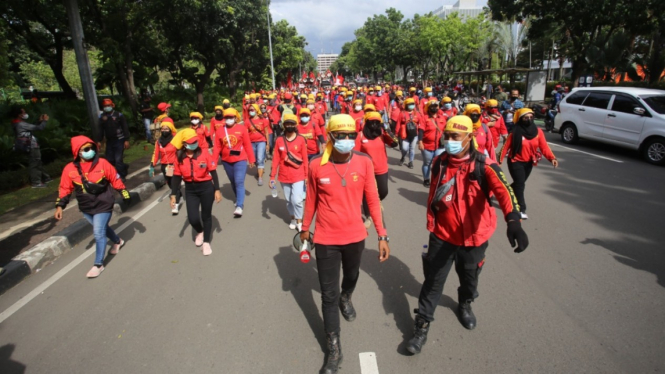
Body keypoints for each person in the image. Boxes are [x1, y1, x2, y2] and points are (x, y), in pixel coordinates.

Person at [405, 115, 529, 355]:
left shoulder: (485, 165)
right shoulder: (440, 162)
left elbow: (505, 193)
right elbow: (434, 194)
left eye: (455, 137)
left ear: (469, 138)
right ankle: (421, 327)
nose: (450, 141)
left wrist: (513, 221)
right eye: (447, 136)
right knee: (432, 283)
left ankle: (465, 303)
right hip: (442, 235)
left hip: (475, 238)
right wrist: (432, 222)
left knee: (470, 279)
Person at [300, 114, 390, 374]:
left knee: (351, 276)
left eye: (352, 135)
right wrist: (305, 229)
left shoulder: (364, 162)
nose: (347, 140)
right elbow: (311, 200)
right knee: (327, 295)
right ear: (329, 136)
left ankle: (347, 296)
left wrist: (382, 235)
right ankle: (334, 347)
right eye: (341, 136)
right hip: (326, 238)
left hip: (355, 237)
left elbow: (373, 200)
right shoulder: (316, 164)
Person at [55, 136, 131, 278]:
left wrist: (124, 192)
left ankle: (98, 264)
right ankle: (118, 241)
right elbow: (65, 188)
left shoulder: (102, 163)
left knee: (98, 232)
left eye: (92, 148)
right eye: (86, 149)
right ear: (78, 152)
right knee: (102, 228)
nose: (90, 151)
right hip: (86, 207)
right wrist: (60, 206)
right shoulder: (70, 169)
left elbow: (115, 178)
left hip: (104, 202)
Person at [499, 108, 558, 220]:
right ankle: (521, 209)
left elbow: (544, 146)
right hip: (515, 161)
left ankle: (503, 193)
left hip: (529, 162)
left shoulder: (538, 131)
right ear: (521, 119)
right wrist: (499, 161)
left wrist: (552, 158)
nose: (529, 120)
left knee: (518, 184)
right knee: (520, 185)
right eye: (526, 118)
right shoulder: (515, 132)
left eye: (531, 117)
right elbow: (505, 147)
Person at [170, 129, 222, 256]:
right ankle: (200, 231)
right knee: (193, 218)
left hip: (206, 188)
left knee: (206, 216)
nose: (194, 144)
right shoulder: (179, 157)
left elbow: (213, 172)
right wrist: (173, 195)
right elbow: (176, 176)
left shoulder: (204, 153)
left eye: (195, 141)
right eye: (190, 142)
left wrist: (217, 189)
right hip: (190, 190)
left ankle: (206, 242)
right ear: (184, 144)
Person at [354, 111, 398, 228]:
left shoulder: (382, 134)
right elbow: (355, 153)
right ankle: (369, 216)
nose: (374, 125)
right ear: (366, 122)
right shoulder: (360, 135)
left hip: (381, 168)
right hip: (366, 170)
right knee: (367, 193)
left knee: (383, 191)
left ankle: (377, 201)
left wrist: (387, 130)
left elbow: (394, 143)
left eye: (377, 122)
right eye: (371, 122)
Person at [213, 108, 256, 217]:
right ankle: (238, 197)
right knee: (233, 181)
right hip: (227, 161)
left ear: (235, 118)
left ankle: (239, 206)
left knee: (239, 181)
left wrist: (251, 159)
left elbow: (247, 145)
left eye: (231, 117)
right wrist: (213, 162)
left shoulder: (241, 129)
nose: (229, 119)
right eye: (227, 117)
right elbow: (217, 148)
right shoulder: (220, 131)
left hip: (240, 160)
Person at [269, 114, 309, 231]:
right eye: (287, 124)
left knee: (297, 200)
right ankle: (292, 218)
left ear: (295, 125)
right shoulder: (279, 140)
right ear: (284, 125)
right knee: (288, 200)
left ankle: (299, 221)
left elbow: (305, 159)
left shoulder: (301, 139)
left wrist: (306, 176)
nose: (290, 126)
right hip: (283, 176)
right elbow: (275, 159)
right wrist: (272, 177)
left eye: (292, 124)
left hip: (298, 175)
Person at [10, 106, 51, 188]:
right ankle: (36, 183)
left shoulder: (17, 123)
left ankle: (46, 178)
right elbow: (39, 128)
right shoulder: (20, 124)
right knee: (35, 163)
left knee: (37, 161)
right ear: (19, 115)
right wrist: (44, 121)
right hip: (31, 146)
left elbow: (32, 127)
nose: (25, 114)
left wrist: (39, 121)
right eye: (23, 113)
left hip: (29, 145)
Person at [150, 118, 182, 214]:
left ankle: (175, 204)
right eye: (162, 129)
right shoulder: (159, 142)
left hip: (174, 165)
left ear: (171, 129)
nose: (164, 130)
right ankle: (176, 192)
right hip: (165, 166)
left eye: (166, 128)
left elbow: (181, 151)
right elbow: (155, 154)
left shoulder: (175, 139)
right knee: (170, 184)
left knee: (174, 184)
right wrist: (152, 165)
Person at [97, 98, 130, 181]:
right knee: (110, 160)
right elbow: (101, 129)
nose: (107, 107)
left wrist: (126, 139)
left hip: (119, 139)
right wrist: (99, 140)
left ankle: (122, 176)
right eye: (105, 106)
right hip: (110, 141)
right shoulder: (102, 117)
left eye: (108, 105)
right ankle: (124, 167)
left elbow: (125, 127)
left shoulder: (119, 115)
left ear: (112, 105)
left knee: (118, 159)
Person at [418, 99, 447, 187]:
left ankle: (436, 179)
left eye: (436, 106)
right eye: (432, 106)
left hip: (440, 146)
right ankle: (426, 179)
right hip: (427, 146)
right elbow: (420, 131)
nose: (434, 108)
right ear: (429, 108)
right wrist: (420, 142)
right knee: (427, 163)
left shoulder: (442, 118)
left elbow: (446, 130)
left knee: (438, 164)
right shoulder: (424, 118)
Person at [395, 97, 422, 168]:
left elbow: (421, 124)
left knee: (412, 148)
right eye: (410, 104)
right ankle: (403, 157)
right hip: (405, 134)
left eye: (413, 104)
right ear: (406, 105)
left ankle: (411, 161)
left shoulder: (417, 114)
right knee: (404, 148)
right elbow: (398, 123)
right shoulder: (402, 113)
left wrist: (421, 134)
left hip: (414, 134)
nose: (412, 105)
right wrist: (396, 133)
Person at [246, 104, 270, 185]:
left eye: (252, 110)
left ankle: (260, 177)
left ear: (256, 110)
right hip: (251, 143)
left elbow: (266, 132)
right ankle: (259, 168)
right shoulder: (247, 121)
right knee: (255, 159)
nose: (251, 112)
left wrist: (267, 143)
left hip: (261, 141)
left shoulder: (263, 120)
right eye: (249, 110)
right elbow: (245, 133)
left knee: (260, 159)